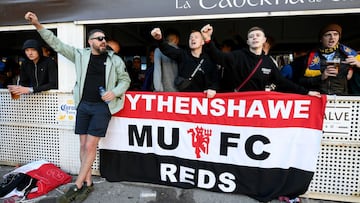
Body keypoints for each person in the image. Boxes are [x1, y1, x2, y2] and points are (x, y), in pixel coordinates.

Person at [24, 11, 131, 203]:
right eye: (99, 38)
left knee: (90, 145)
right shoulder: (80, 55)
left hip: (102, 108)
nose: (103, 41)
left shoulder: (115, 59)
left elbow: (125, 80)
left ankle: (78, 184)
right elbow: (56, 43)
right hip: (83, 105)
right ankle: (88, 182)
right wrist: (37, 25)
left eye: (104, 38)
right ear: (90, 41)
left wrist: (114, 92)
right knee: (82, 145)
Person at [200, 24, 320, 98]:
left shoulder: (268, 62)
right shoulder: (237, 56)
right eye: (251, 36)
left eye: (258, 35)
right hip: (235, 105)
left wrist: (306, 92)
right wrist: (207, 39)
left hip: (255, 107)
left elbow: (282, 82)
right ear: (247, 42)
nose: (255, 38)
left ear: (264, 40)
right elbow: (217, 56)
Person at [283, 23, 358, 95]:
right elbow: (301, 81)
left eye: (336, 34)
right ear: (321, 39)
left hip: (341, 98)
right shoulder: (311, 56)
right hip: (319, 98)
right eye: (328, 35)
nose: (332, 37)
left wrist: (358, 65)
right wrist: (321, 77)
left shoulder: (346, 54)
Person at [151, 28, 218, 98]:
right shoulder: (183, 55)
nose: (193, 39)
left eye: (196, 37)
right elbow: (167, 49)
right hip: (183, 100)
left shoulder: (208, 60)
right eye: (190, 38)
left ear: (202, 42)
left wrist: (213, 89)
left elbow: (215, 79)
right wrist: (159, 39)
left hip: (202, 101)